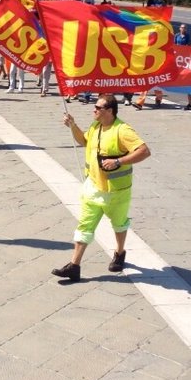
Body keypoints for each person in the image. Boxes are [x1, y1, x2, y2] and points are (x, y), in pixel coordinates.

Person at [53, 94, 151, 282]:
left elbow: (144, 151)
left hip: (116, 191)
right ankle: (74, 266)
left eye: (98, 107)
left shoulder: (122, 130)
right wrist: (72, 126)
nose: (94, 110)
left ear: (110, 111)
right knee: (85, 225)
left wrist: (118, 161)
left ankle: (120, 253)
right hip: (93, 187)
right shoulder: (95, 126)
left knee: (119, 224)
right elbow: (84, 142)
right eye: (95, 107)